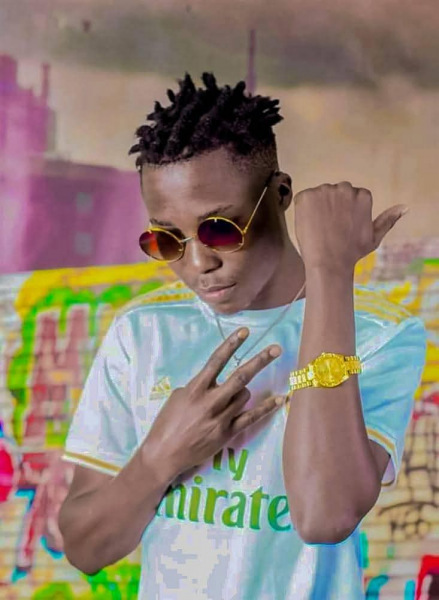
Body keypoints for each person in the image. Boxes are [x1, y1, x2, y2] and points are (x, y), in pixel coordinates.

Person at [59, 72, 427, 599]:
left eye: (219, 229)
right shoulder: (144, 332)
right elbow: (85, 549)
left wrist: (329, 272)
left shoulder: (381, 334)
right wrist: (161, 456)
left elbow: (325, 516)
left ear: (280, 195)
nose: (198, 263)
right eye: (167, 240)